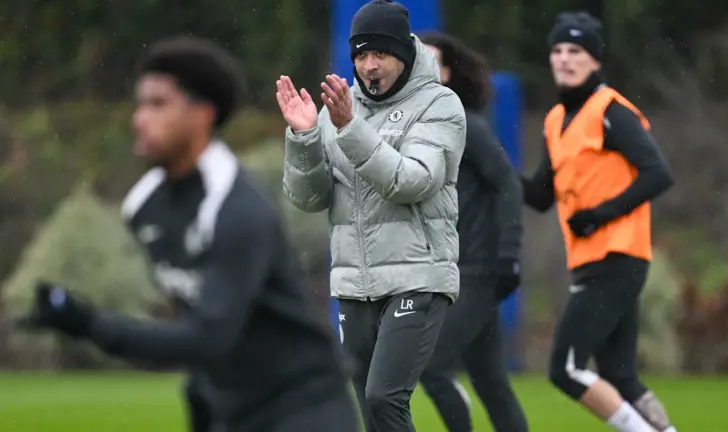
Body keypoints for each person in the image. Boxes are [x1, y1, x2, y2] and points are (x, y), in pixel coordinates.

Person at [16, 36, 359, 432]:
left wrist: (89, 324)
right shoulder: (144, 207)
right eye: (140, 104)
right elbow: (200, 331)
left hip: (304, 410)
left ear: (203, 115)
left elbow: (208, 338)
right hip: (234, 412)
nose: (139, 118)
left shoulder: (237, 209)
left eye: (158, 104)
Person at [278, 0, 466, 430]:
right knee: (367, 405)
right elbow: (309, 198)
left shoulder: (440, 105)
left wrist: (349, 129)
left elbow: (412, 181)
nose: (369, 65)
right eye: (361, 55)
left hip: (419, 276)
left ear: (403, 53)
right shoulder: (339, 109)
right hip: (354, 284)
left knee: (384, 397)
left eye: (380, 53)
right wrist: (305, 136)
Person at [521, 11, 677, 432]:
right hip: (590, 260)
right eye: (557, 50)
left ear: (595, 60)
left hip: (618, 255)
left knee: (565, 369)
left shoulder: (611, 110)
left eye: (576, 50)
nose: (565, 59)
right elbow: (538, 196)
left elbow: (658, 173)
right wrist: (488, 168)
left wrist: (600, 214)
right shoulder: (555, 120)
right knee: (619, 376)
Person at [418, 31, 529, 432]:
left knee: (431, 368)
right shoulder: (414, 127)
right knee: (492, 383)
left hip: (474, 270)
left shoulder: (466, 125)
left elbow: (508, 183)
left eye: (432, 61)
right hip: (442, 268)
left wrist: (509, 254)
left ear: (447, 73)